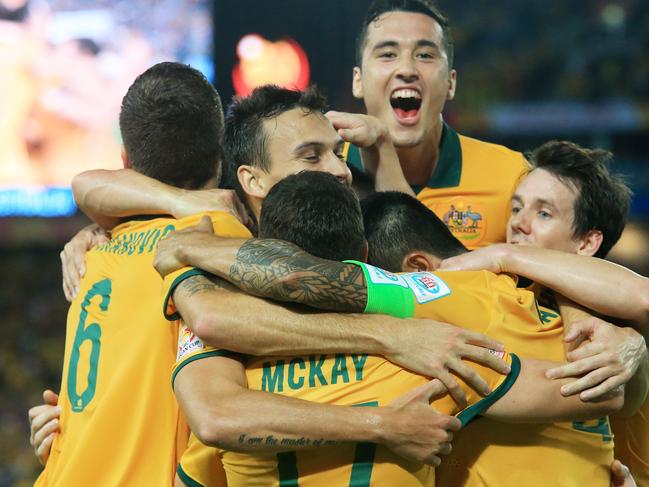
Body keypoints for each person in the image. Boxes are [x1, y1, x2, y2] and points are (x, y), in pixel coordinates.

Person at [31, 86, 509, 483]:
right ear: (251, 179)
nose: (341, 169)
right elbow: (215, 352)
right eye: (312, 155)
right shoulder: (213, 245)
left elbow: (90, 186)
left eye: (339, 154)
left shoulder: (158, 244)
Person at [153, 170, 623, 486]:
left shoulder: (227, 368)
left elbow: (204, 445)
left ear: (262, 243)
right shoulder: (436, 354)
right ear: (361, 251)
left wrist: (186, 259)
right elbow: (597, 392)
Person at [32, 61, 253, 486]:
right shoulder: (219, 238)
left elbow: (87, 185)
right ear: (221, 155)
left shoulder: (95, 253)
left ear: (125, 160)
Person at [436, 140, 648, 486]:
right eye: (516, 208)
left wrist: (507, 255)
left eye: (543, 213)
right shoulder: (484, 296)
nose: (519, 223)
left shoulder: (620, 328)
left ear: (586, 243)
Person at [344, 0, 529, 248]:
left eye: (425, 55)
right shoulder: (322, 173)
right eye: (388, 54)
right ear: (358, 80)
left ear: (451, 83)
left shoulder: (512, 176)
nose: (407, 69)